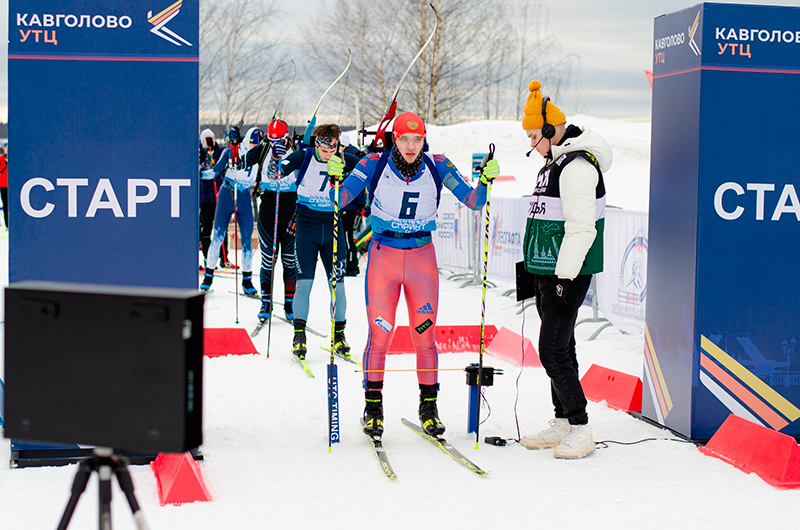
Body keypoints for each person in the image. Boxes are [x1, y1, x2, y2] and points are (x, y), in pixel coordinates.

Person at [329, 111, 500, 439]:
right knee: (380, 335)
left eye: (417, 139)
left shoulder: (438, 164)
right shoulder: (374, 163)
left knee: (425, 335)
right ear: (395, 138)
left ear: (424, 139)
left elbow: (474, 201)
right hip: (384, 259)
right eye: (405, 138)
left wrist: (484, 180)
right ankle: (373, 409)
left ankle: (429, 408)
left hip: (421, 259)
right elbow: (339, 199)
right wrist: (333, 174)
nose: (411, 146)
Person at [517, 80, 612, 459]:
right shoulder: (553, 163)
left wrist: (564, 276)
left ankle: (580, 426)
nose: (531, 144)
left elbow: (581, 227)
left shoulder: (577, 167)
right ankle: (562, 421)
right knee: (563, 348)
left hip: (566, 273)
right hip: (546, 270)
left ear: (550, 130)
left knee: (552, 352)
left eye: (533, 136)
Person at [258, 123, 360, 362]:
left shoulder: (344, 158)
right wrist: (276, 157)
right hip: (306, 226)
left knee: (338, 285)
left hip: (333, 226)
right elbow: (274, 174)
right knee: (304, 284)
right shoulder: (303, 156)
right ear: (317, 144)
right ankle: (299, 335)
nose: (328, 155)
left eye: (332, 150)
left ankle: (339, 335)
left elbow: (370, 169)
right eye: (324, 150)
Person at [200, 127, 262, 295]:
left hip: (245, 197)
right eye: (252, 144)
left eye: (257, 145)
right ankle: (208, 278)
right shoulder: (231, 151)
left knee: (247, 241)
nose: (254, 148)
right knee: (218, 237)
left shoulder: (260, 154)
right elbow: (214, 172)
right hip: (227, 195)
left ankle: (247, 281)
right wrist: (198, 173)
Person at [250, 119, 298, 322]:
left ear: (287, 137)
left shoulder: (297, 150)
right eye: (271, 140)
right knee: (268, 259)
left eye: (278, 140)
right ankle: (266, 303)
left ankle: (290, 303)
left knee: (289, 259)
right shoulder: (263, 150)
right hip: (270, 205)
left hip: (291, 207)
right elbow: (238, 163)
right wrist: (234, 145)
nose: (274, 144)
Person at [199, 129, 228, 268]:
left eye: (212, 138)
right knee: (207, 229)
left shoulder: (219, 151)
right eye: (207, 139)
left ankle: (224, 257)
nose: (210, 141)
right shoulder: (199, 152)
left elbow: (225, 156)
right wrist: (204, 150)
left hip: (218, 196)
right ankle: (207, 257)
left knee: (222, 228)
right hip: (205, 197)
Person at [0, 141, 7, 230]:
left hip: (12, 185)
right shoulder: (1, 158)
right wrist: (5, 163)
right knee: (5, 204)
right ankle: (7, 224)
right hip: (3, 184)